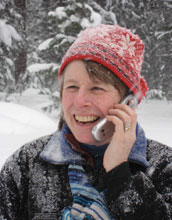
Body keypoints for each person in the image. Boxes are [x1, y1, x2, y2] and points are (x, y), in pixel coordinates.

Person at [0, 24, 171, 220]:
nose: (80, 101)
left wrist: (119, 174)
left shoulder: (164, 167)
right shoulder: (24, 165)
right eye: (72, 87)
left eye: (97, 88)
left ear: (128, 101)